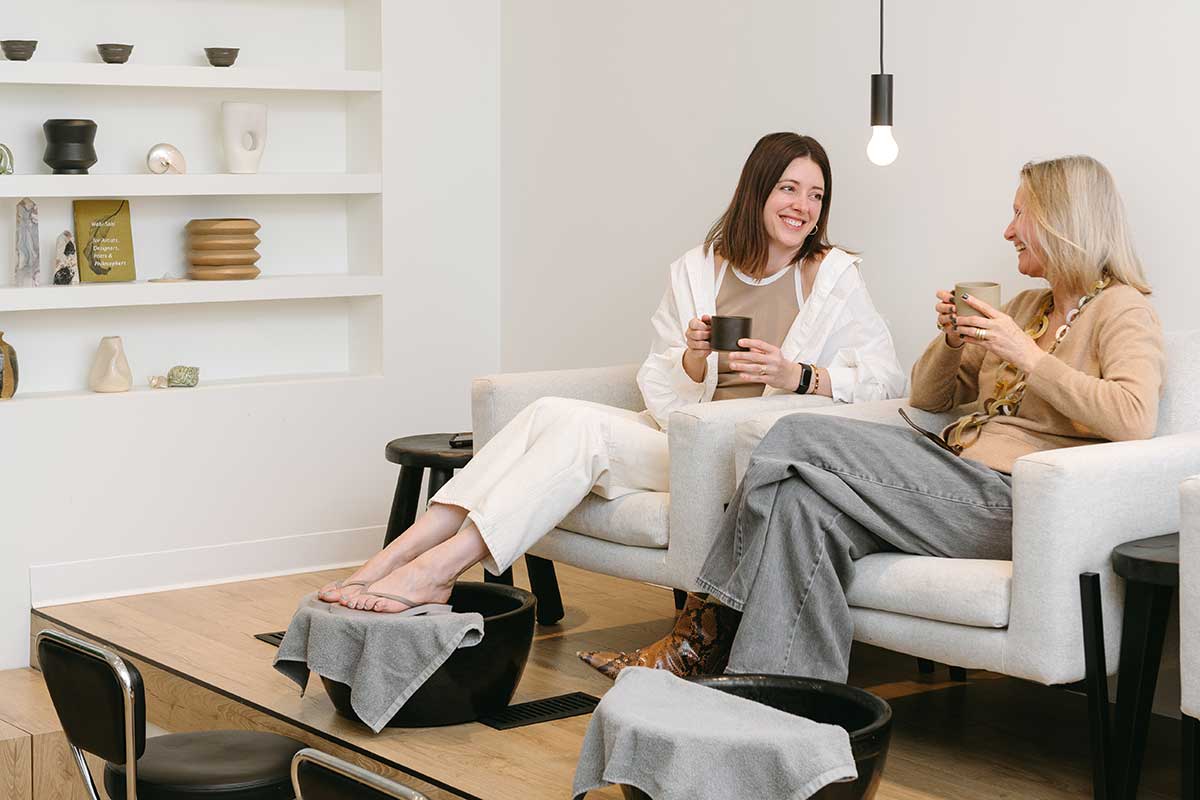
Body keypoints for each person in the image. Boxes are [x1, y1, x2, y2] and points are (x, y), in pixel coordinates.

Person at [580, 154, 1165, 681]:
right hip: (951, 481)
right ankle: (784, 700)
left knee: (794, 436)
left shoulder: (1123, 310)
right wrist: (954, 341)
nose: (1008, 231)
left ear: (1064, 221)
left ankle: (696, 636)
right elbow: (930, 398)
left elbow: (1134, 418)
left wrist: (1028, 357)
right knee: (800, 506)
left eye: (1020, 216)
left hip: (1013, 502)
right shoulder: (1025, 307)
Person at [319, 132, 905, 613]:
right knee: (547, 412)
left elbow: (886, 378)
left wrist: (797, 375)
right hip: (681, 437)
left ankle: (439, 569)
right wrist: (693, 360)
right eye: (788, 188)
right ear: (756, 192)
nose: (802, 207)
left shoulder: (831, 276)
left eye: (816, 195)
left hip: (743, 455)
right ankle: (395, 559)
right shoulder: (699, 269)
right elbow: (657, 381)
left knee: (582, 433)